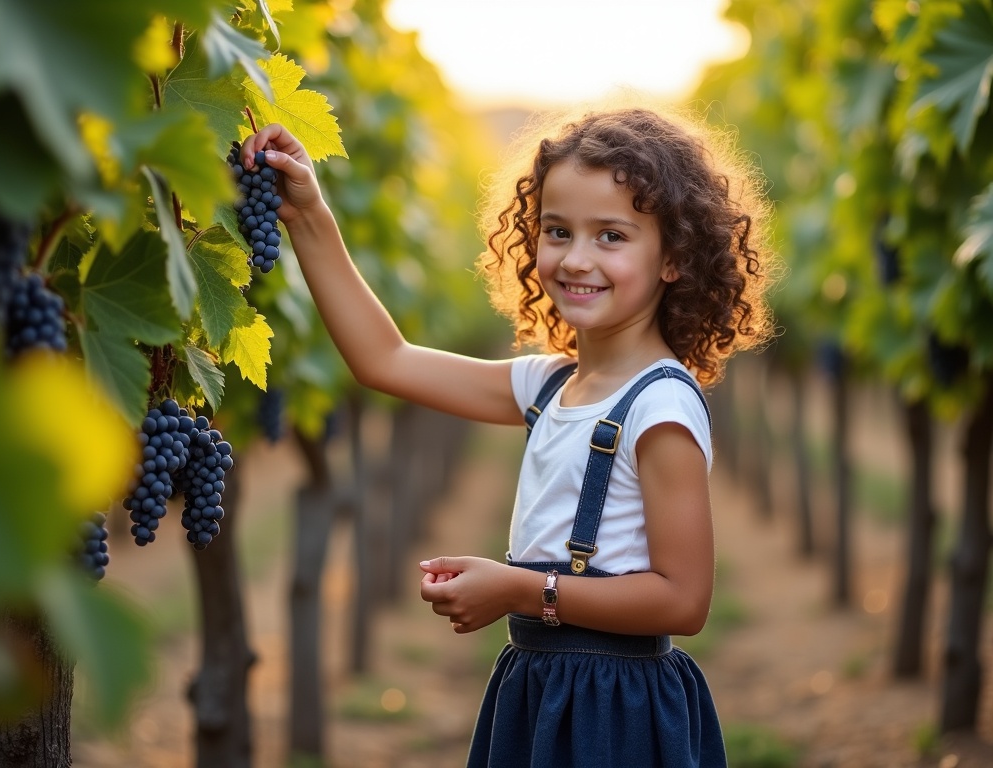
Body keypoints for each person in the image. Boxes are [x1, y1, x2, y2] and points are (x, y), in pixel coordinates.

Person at [240, 102, 775, 767]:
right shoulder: (550, 384)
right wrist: (310, 216)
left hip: (616, 705)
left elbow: (684, 600)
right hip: (540, 685)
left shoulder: (660, 407)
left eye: (611, 236)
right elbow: (385, 360)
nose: (576, 259)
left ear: (675, 257)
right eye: (558, 231)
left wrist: (522, 589)